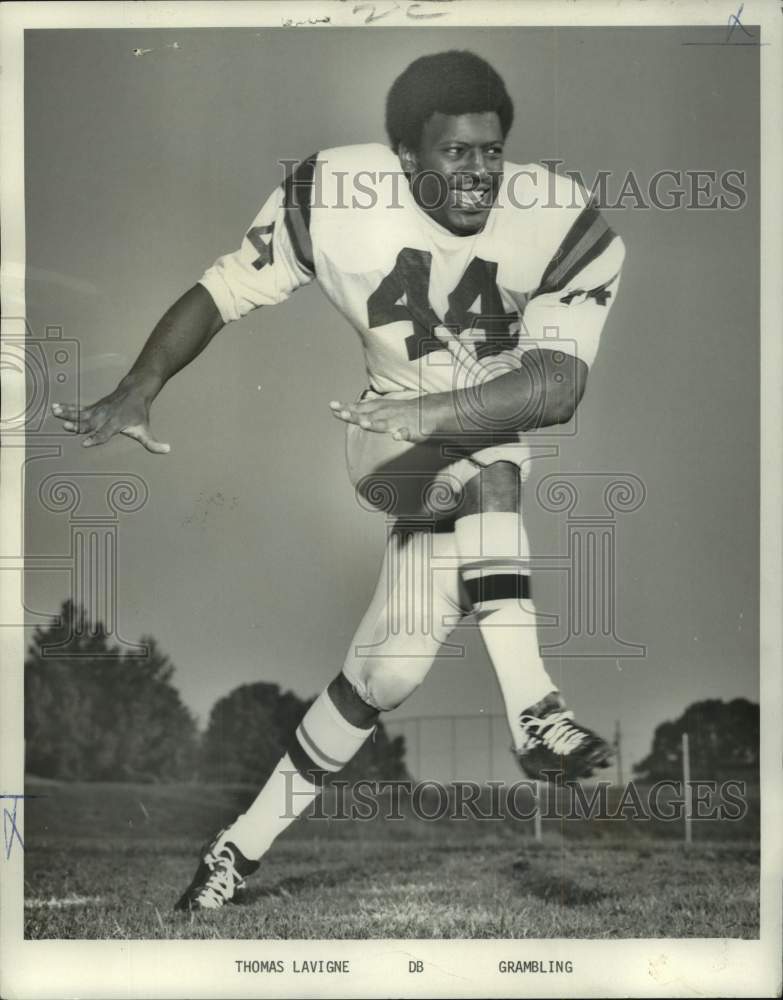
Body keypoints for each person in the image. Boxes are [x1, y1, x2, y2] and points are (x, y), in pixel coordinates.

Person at [52, 50, 624, 912]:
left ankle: (233, 853)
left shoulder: (561, 219)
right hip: (382, 441)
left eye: (491, 152)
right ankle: (534, 708)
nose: (479, 174)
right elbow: (223, 289)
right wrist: (138, 388)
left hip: (447, 433)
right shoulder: (335, 194)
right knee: (493, 462)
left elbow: (557, 385)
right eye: (454, 154)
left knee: (383, 676)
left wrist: (437, 414)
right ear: (402, 158)